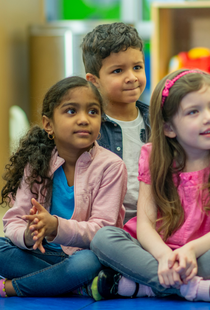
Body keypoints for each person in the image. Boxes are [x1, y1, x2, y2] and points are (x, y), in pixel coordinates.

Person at [89, 69, 210, 304]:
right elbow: (145, 224)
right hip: (158, 251)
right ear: (169, 128)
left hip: (205, 251)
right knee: (103, 238)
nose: (208, 117)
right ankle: (195, 288)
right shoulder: (152, 156)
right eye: (193, 112)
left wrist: (190, 250)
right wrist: (164, 255)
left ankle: (145, 287)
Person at [0, 77, 127, 298]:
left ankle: (12, 288)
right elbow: (13, 221)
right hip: (42, 254)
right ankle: (77, 286)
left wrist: (55, 227)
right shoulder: (37, 162)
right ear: (49, 124)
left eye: (93, 112)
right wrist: (29, 236)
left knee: (88, 263)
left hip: (83, 256)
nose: (84, 119)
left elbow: (102, 231)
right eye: (71, 111)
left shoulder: (112, 166)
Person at [82, 22, 150, 223]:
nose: (132, 77)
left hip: (153, 223)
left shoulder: (158, 121)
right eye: (118, 71)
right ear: (94, 81)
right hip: (107, 225)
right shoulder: (87, 127)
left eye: (137, 67)